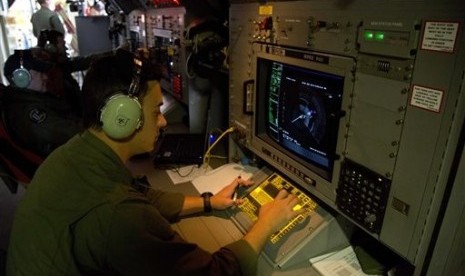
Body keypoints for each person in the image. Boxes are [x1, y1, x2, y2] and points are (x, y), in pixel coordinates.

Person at [6, 49, 303, 275]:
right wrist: (266, 222)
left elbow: (139, 194)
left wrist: (209, 202)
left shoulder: (77, 152)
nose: (163, 121)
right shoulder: (117, 214)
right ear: (122, 119)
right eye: (155, 110)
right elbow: (215, 272)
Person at [2, 49, 82, 157]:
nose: (45, 77)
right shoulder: (29, 112)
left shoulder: (32, 99)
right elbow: (72, 132)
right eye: (39, 73)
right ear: (21, 78)